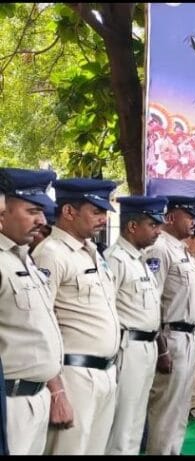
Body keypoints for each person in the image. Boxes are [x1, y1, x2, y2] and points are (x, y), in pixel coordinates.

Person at [33, 178, 119, 455]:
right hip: (74, 375)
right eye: (96, 212)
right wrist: (56, 390)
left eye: (104, 212)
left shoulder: (92, 251)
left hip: (105, 372)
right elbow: (39, 325)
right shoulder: (51, 254)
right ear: (69, 211)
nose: (104, 219)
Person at [0, 168, 63, 455]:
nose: (42, 220)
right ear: (4, 212)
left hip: (38, 397)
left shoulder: (24, 258)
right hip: (11, 402)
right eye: (32, 211)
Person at [104, 197, 166, 455]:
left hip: (147, 346)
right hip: (128, 346)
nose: (158, 231)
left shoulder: (139, 259)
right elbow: (107, 308)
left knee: (137, 421)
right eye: (152, 224)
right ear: (132, 226)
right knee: (123, 422)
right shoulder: (115, 259)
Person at [144, 196, 195, 455]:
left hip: (189, 336)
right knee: (165, 409)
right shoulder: (159, 249)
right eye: (188, 216)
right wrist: (162, 348)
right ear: (170, 217)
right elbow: (151, 301)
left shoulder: (182, 249)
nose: (194, 221)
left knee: (180, 407)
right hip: (171, 336)